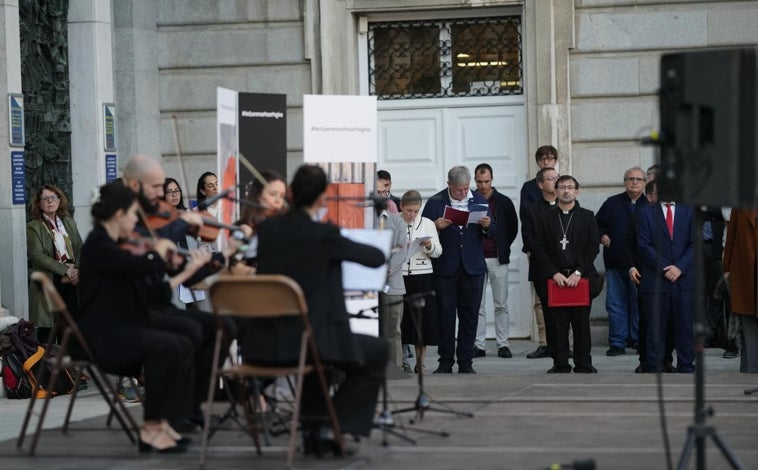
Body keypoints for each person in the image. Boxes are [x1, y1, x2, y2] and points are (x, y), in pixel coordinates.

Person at [254, 164, 389, 451]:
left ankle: (314, 432)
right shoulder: (324, 234)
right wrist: (337, 239)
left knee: (320, 360)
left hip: (267, 341)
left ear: (290, 192)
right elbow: (376, 257)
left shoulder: (266, 230)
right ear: (321, 198)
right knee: (377, 351)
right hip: (311, 342)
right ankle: (332, 425)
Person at [78, 181, 211, 453]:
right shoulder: (99, 245)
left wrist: (184, 269)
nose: (135, 221)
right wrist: (157, 254)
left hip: (123, 324)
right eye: (132, 214)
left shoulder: (113, 243)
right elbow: (137, 266)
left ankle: (164, 421)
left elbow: (152, 291)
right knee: (169, 344)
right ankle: (151, 427)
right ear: (119, 215)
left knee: (183, 341)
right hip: (104, 336)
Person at [122, 154, 238, 430]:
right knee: (191, 333)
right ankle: (177, 409)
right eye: (155, 187)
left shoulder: (157, 224)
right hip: (131, 316)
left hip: (157, 308)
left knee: (224, 326)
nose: (161, 194)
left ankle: (191, 404)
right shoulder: (128, 226)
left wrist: (224, 256)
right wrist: (182, 223)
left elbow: (186, 270)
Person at [422, 165, 493, 374]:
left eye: (465, 188)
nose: (463, 193)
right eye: (458, 189)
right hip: (445, 268)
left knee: (470, 315)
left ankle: (466, 361)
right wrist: (435, 226)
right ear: (448, 185)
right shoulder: (435, 202)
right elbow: (422, 232)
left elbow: (494, 231)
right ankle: (445, 361)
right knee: (445, 315)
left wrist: (487, 225)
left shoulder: (479, 200)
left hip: (472, 267)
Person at [533, 175, 600, 373]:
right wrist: (554, 273)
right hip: (557, 279)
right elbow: (539, 249)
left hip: (580, 278)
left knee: (581, 325)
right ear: (556, 190)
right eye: (562, 187)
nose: (566, 191)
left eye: (570, 187)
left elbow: (592, 248)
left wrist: (578, 272)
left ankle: (583, 363)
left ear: (577, 191)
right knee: (557, 325)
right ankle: (560, 363)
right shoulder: (546, 218)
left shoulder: (587, 216)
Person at [636, 197, 695, 373]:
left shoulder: (691, 210)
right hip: (656, 280)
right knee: (656, 327)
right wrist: (665, 268)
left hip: (683, 279)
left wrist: (679, 268)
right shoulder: (645, 212)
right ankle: (655, 366)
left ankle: (686, 365)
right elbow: (644, 245)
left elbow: (695, 243)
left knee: (685, 326)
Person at [596, 167, 648, 356]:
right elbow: (596, 223)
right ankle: (617, 342)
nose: (634, 182)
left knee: (638, 303)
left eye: (638, 179)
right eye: (630, 179)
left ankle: (637, 340)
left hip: (641, 265)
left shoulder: (649, 205)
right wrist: (602, 235)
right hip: (615, 262)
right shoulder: (612, 203)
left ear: (644, 183)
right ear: (624, 182)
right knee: (615, 304)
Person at [627, 180, 675, 373]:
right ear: (649, 197)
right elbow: (629, 243)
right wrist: (630, 266)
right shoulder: (641, 214)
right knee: (648, 321)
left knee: (670, 322)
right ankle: (646, 360)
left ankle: (666, 360)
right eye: (656, 194)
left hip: (672, 276)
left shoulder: (674, 214)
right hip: (646, 274)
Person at [27, 184, 83, 344]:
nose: (50, 201)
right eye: (45, 198)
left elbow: (80, 247)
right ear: (39, 203)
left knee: (71, 329)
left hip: (72, 282)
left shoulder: (69, 222)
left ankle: (70, 367)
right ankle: (47, 367)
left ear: (60, 200)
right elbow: (37, 256)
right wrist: (65, 270)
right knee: (48, 332)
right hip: (50, 282)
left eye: (53, 197)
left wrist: (77, 270)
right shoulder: (34, 227)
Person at [472, 163, 518, 359]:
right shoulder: (469, 200)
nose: (483, 186)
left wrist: (502, 243)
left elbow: (512, 228)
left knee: (501, 303)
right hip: (475, 259)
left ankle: (503, 344)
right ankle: (479, 344)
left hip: (498, 258)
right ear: (475, 180)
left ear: (492, 179)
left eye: (487, 181)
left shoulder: (504, 202)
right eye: (480, 181)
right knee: (477, 305)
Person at [519, 145, 559, 358]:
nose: (546, 161)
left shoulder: (565, 185)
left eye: (550, 158)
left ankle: (564, 342)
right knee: (540, 300)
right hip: (538, 251)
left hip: (563, 253)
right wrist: (531, 249)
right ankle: (545, 342)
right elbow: (526, 218)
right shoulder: (529, 188)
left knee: (565, 298)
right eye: (543, 159)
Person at [398, 190, 442, 373]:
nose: (412, 215)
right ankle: (401, 361)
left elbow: (438, 252)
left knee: (421, 321)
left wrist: (429, 245)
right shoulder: (394, 221)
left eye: (416, 211)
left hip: (422, 275)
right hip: (400, 276)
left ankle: (421, 362)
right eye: (409, 211)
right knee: (401, 321)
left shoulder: (428, 224)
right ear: (401, 207)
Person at [722, 207, 758, 372]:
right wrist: (727, 268)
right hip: (745, 271)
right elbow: (731, 236)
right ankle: (750, 368)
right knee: (748, 319)